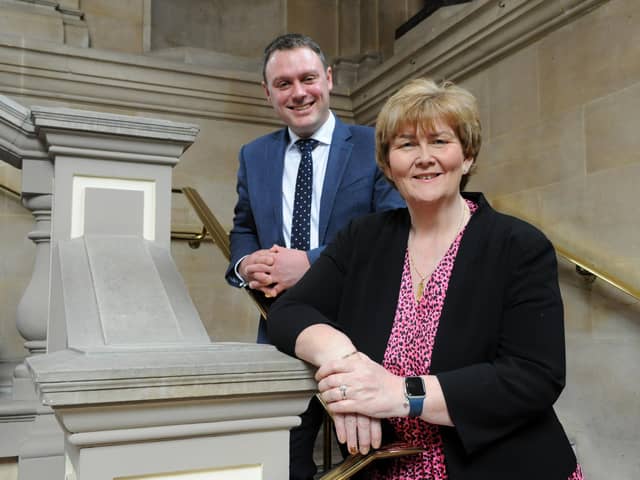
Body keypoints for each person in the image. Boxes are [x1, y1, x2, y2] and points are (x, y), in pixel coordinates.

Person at [267, 78, 584, 479]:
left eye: (439, 142)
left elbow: (534, 377)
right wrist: (344, 360)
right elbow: (288, 311)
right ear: (387, 165)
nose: (424, 158)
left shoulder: (518, 245)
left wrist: (399, 394)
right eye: (406, 145)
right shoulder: (362, 239)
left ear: (467, 156)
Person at [225, 34, 404, 480]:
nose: (298, 92)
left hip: (362, 331)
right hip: (280, 330)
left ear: (328, 79)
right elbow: (243, 226)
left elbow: (395, 228)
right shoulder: (254, 155)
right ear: (267, 93)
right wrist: (244, 265)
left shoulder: (373, 144)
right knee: (284, 457)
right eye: (283, 83)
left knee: (368, 456)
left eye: (308, 78)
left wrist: (312, 262)